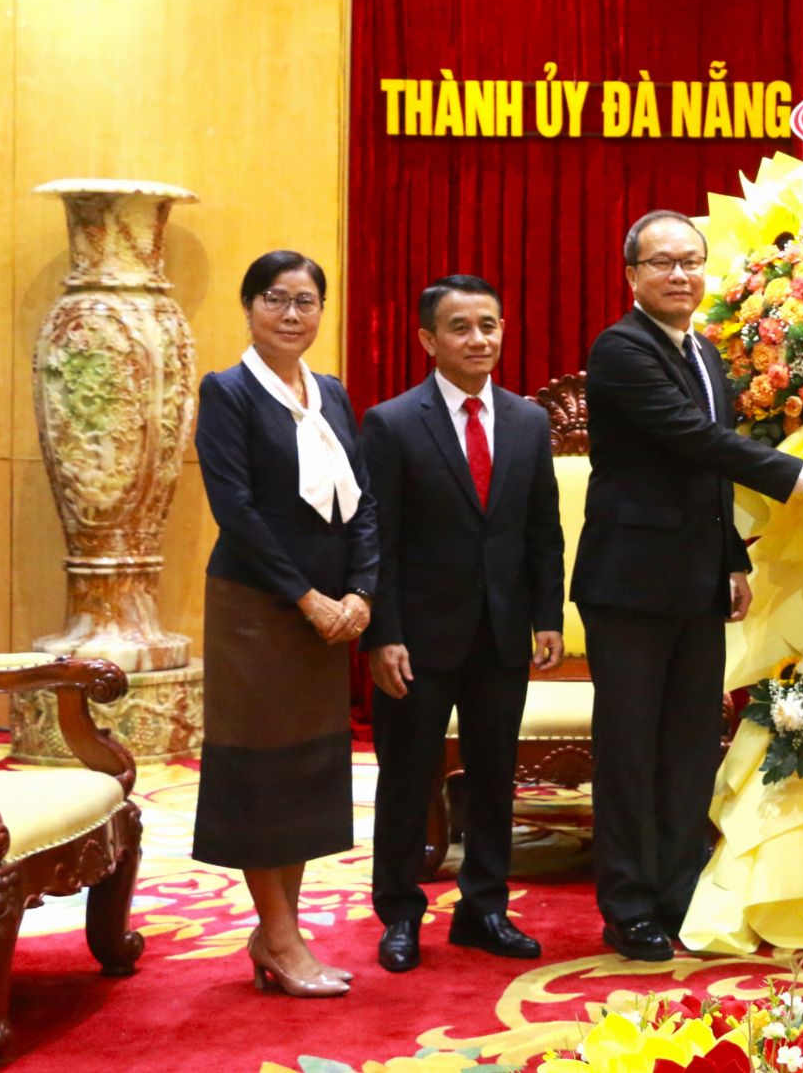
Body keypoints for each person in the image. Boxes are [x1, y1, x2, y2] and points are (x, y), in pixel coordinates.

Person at [572, 209, 803, 963]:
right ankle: (628, 905)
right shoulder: (621, 349)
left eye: (690, 261)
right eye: (661, 263)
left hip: (696, 580)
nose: (679, 275)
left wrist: (732, 558)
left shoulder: (702, 350)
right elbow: (696, 440)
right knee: (631, 750)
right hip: (629, 586)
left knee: (691, 745)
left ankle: (677, 889)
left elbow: (705, 477)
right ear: (631, 274)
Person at [361, 275, 564, 974]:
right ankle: (399, 911)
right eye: (460, 327)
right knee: (408, 777)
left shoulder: (528, 421)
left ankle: (484, 909)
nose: (479, 339)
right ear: (427, 339)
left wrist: (546, 614)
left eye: (490, 325)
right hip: (416, 640)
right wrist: (382, 633)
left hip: (502, 633)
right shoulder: (391, 422)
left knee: (494, 778)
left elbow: (543, 528)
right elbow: (375, 539)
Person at [193, 250, 376, 999]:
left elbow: (363, 503)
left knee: (306, 772)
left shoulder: (329, 393)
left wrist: (362, 592)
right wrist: (306, 597)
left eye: (306, 301)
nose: (292, 314)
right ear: (248, 307)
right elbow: (235, 510)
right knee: (260, 775)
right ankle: (282, 936)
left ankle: (278, 933)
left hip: (328, 617)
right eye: (276, 299)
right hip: (258, 611)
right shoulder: (228, 392)